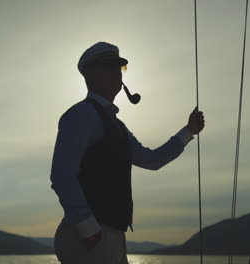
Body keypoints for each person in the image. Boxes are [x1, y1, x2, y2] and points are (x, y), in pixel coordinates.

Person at [50, 41, 205, 264]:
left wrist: (188, 131)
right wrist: (88, 227)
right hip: (88, 236)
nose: (117, 72)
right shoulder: (81, 115)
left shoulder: (117, 126)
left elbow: (152, 160)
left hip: (109, 235)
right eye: (109, 66)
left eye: (119, 67)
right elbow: (62, 175)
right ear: (90, 75)